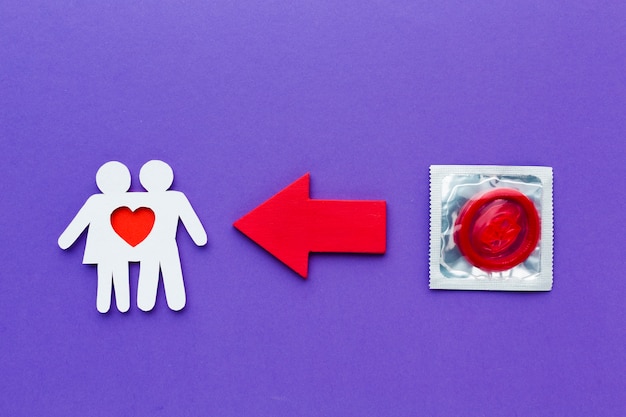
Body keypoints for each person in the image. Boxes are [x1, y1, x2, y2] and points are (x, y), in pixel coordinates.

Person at [58, 161, 133, 313]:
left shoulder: (96, 201)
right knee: (118, 274)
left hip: (106, 250)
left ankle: (111, 304)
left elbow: (79, 223)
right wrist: (66, 241)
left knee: (108, 275)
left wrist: (66, 240)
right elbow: (80, 223)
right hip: (119, 250)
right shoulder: (124, 202)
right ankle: (121, 304)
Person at [132, 160, 207, 311]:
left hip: (152, 245)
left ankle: (147, 302)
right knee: (168, 270)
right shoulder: (176, 198)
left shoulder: (142, 200)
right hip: (165, 245)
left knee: (150, 270)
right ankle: (170, 301)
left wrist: (199, 238)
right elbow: (190, 220)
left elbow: (189, 219)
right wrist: (199, 238)